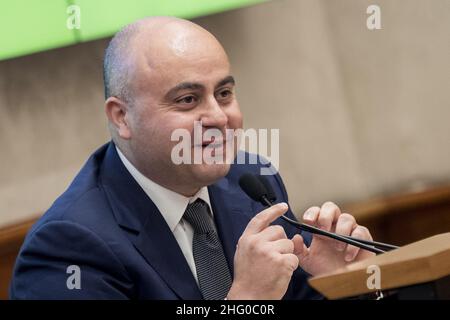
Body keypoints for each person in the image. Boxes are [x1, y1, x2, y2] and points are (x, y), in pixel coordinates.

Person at [10, 17, 374, 300]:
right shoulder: (67, 246)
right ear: (122, 117)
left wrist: (341, 283)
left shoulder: (250, 183)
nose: (218, 117)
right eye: (187, 99)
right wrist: (246, 300)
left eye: (225, 93)